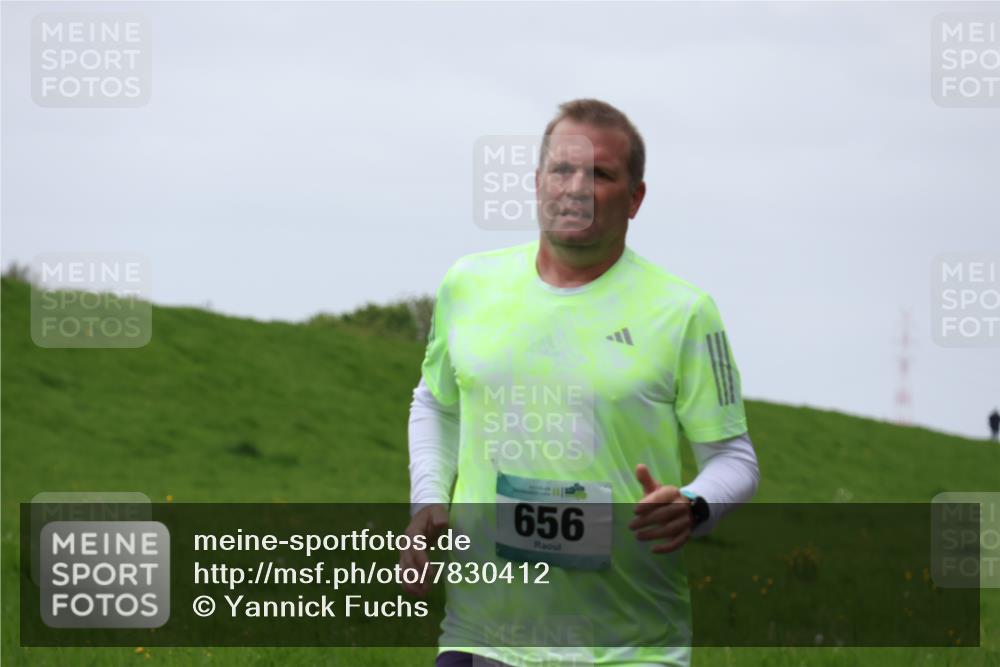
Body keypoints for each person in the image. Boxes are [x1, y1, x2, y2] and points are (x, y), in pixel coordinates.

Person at [401, 99, 760, 667]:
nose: (575, 188)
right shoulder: (467, 285)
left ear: (635, 198)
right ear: (537, 181)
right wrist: (427, 500)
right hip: (482, 636)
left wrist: (694, 505)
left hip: (626, 648)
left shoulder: (685, 312)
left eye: (600, 174)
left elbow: (734, 460)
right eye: (562, 169)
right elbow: (437, 404)